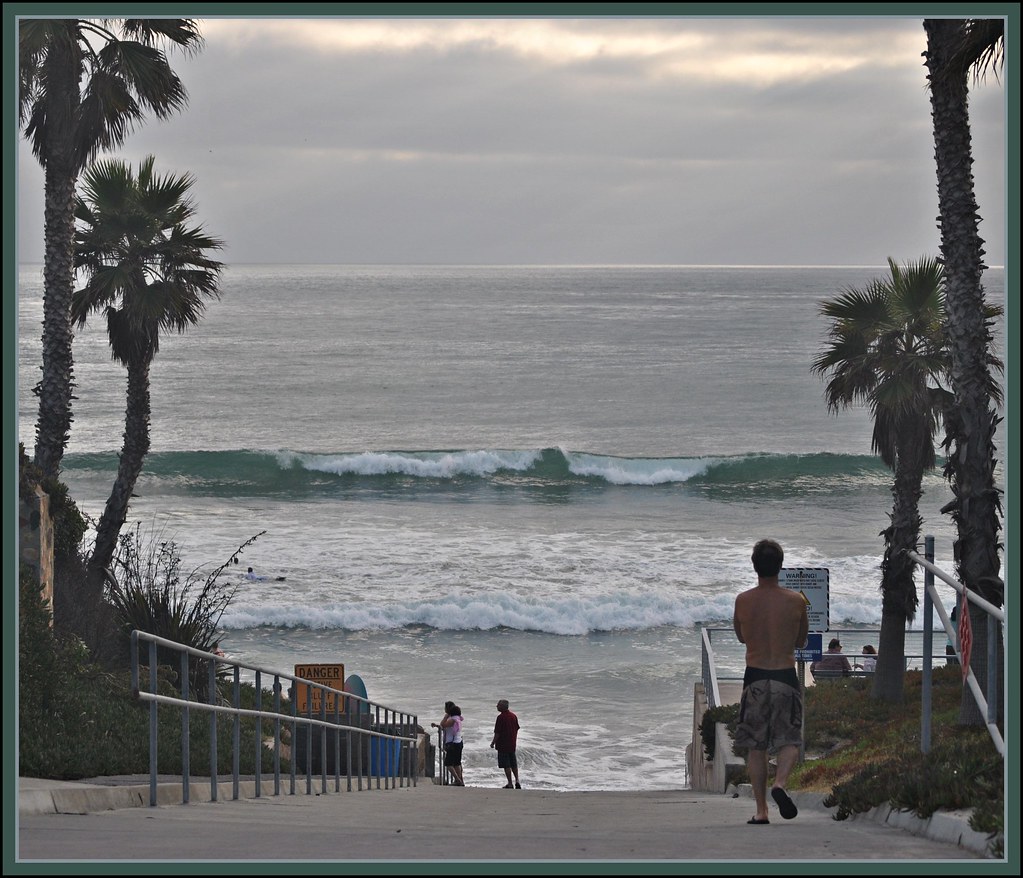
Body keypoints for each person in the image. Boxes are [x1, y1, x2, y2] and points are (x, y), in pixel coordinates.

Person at [732, 538, 809, 824]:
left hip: (755, 676)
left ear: (755, 567)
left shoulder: (743, 600)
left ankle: (762, 810)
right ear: (780, 566)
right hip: (785, 676)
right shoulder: (796, 601)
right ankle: (780, 784)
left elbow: (741, 636)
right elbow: (801, 640)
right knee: (789, 739)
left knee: (756, 746)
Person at [431, 701, 464, 786]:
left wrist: (445, 716)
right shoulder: (457, 719)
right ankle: (460, 780)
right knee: (457, 763)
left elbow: (443, 724)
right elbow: (446, 727)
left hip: (453, 744)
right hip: (458, 742)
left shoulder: (452, 719)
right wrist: (437, 726)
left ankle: (457, 780)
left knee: (448, 763)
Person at [490, 699, 521, 789]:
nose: (497, 706)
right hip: (512, 743)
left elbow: (497, 732)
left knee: (506, 764)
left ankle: (510, 783)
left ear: (503, 707)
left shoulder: (501, 717)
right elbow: (517, 728)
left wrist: (493, 743)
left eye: (498, 705)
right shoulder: (513, 716)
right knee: (513, 763)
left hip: (503, 744)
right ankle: (517, 780)